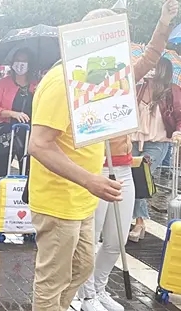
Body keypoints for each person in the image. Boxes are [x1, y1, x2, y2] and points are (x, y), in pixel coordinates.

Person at [77, 5, 176, 311]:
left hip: (122, 167)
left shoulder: (122, 74)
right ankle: (85, 295)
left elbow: (151, 57)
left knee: (116, 239)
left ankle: (100, 287)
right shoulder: (78, 79)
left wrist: (163, 22)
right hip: (94, 169)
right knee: (88, 241)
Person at [130, 55, 181, 242]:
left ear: (161, 70)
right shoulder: (138, 88)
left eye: (153, 66)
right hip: (134, 141)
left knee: (141, 178)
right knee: (130, 179)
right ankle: (136, 220)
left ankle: (140, 222)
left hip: (157, 142)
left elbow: (179, 114)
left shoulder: (172, 91)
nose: (149, 68)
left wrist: (177, 132)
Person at [0, 49, 37, 213]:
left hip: (29, 134)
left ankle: (25, 209)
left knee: (28, 170)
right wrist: (12, 114)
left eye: (24, 61)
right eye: (18, 60)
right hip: (6, 132)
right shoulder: (4, 82)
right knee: (0, 169)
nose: (20, 64)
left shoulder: (36, 84)